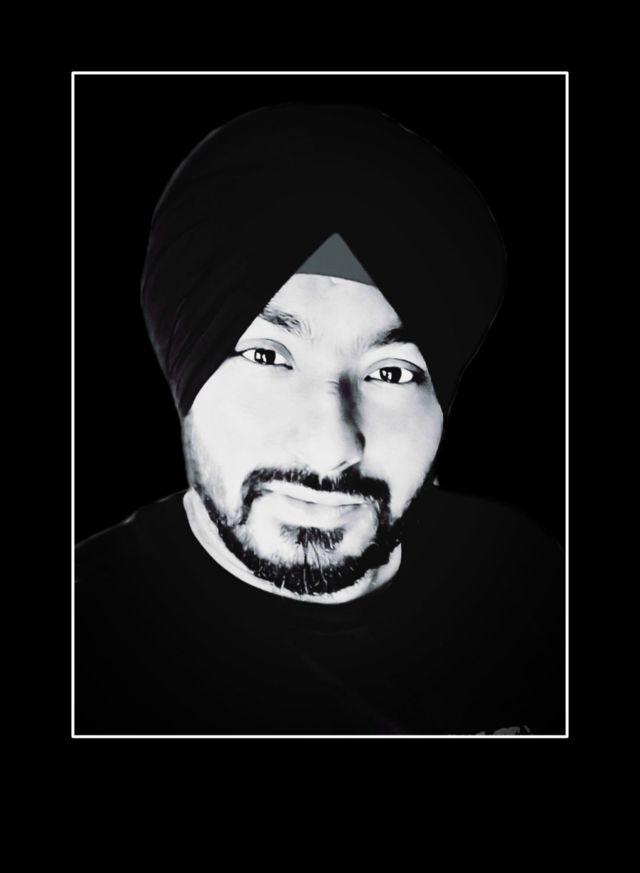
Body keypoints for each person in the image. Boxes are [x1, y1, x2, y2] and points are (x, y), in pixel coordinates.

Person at [74, 101, 565, 736]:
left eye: (392, 372)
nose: (331, 446)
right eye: (267, 356)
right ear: (184, 378)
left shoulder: (526, 576)